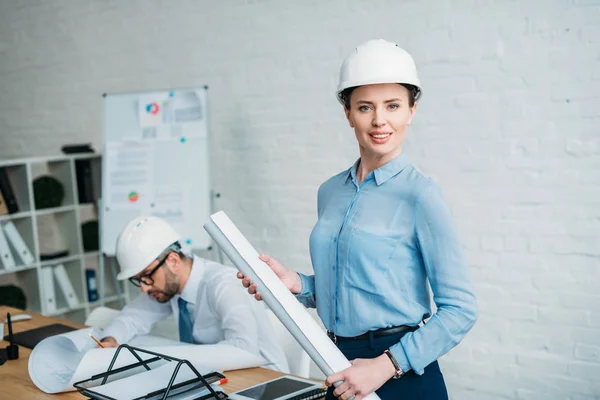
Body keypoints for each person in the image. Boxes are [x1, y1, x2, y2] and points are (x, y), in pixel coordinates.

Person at [239, 39, 477, 399]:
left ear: (411, 111)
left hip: (400, 373)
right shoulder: (330, 192)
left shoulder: (421, 196)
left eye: (393, 106)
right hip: (338, 365)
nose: (380, 120)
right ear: (348, 113)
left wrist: (385, 365)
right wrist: (297, 284)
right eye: (365, 107)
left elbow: (460, 310)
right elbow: (357, 287)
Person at [99, 215, 288, 373]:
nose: (144, 288)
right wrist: (110, 339)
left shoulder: (223, 285)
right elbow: (131, 318)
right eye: (138, 280)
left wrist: (168, 356)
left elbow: (244, 349)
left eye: (147, 276)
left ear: (172, 261)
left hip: (265, 382)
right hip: (220, 377)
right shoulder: (167, 288)